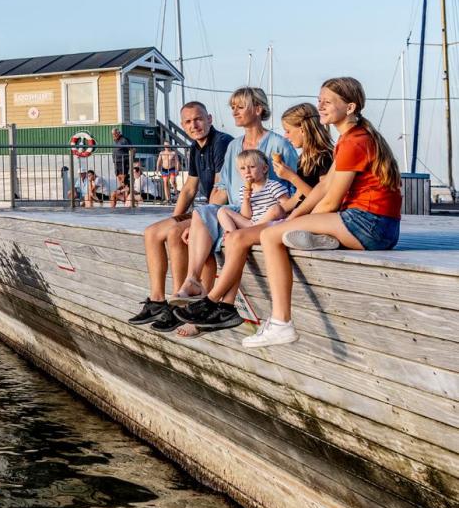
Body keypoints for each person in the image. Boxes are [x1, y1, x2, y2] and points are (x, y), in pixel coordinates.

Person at [236, 77, 401, 348]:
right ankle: (322, 239)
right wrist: (293, 217)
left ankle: (280, 323)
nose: (320, 106)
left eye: (328, 102)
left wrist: (288, 225)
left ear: (349, 107)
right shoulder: (353, 136)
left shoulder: (353, 141)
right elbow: (323, 187)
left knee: (269, 237)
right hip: (377, 225)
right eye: (319, 100)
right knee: (284, 228)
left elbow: (330, 202)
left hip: (368, 224)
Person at [171, 102, 333, 336]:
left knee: (238, 239)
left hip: (306, 220)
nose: (285, 136)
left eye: (288, 130)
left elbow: (316, 196)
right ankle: (220, 306)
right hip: (294, 217)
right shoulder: (306, 157)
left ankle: (215, 303)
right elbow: (301, 197)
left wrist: (289, 180)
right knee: (234, 238)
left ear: (304, 128)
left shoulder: (323, 157)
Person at [171, 87, 298, 311]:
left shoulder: (280, 145)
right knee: (201, 216)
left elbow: (288, 192)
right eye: (233, 108)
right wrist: (200, 220)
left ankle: (213, 306)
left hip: (264, 214)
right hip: (236, 210)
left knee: (219, 233)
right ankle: (192, 281)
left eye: (240, 107)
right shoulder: (233, 146)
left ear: (258, 109)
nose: (235, 112)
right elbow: (221, 189)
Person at [127, 101, 233, 332]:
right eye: (188, 121)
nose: (194, 125)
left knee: (176, 233)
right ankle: (157, 301)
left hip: (222, 210)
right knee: (153, 232)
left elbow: (221, 190)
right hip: (206, 209)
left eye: (198, 119)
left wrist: (194, 223)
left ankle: (178, 302)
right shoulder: (196, 147)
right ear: (184, 126)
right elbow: (188, 189)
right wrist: (174, 218)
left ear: (209, 119)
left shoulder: (221, 143)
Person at [215, 150, 290, 233]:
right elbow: (247, 216)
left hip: (270, 223)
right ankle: (232, 233)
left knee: (276, 209)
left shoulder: (273, 186)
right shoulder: (243, 190)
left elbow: (286, 206)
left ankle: (248, 232)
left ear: (264, 169)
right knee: (222, 211)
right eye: (243, 168)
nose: (247, 171)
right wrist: (246, 200)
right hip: (251, 224)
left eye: (252, 167)